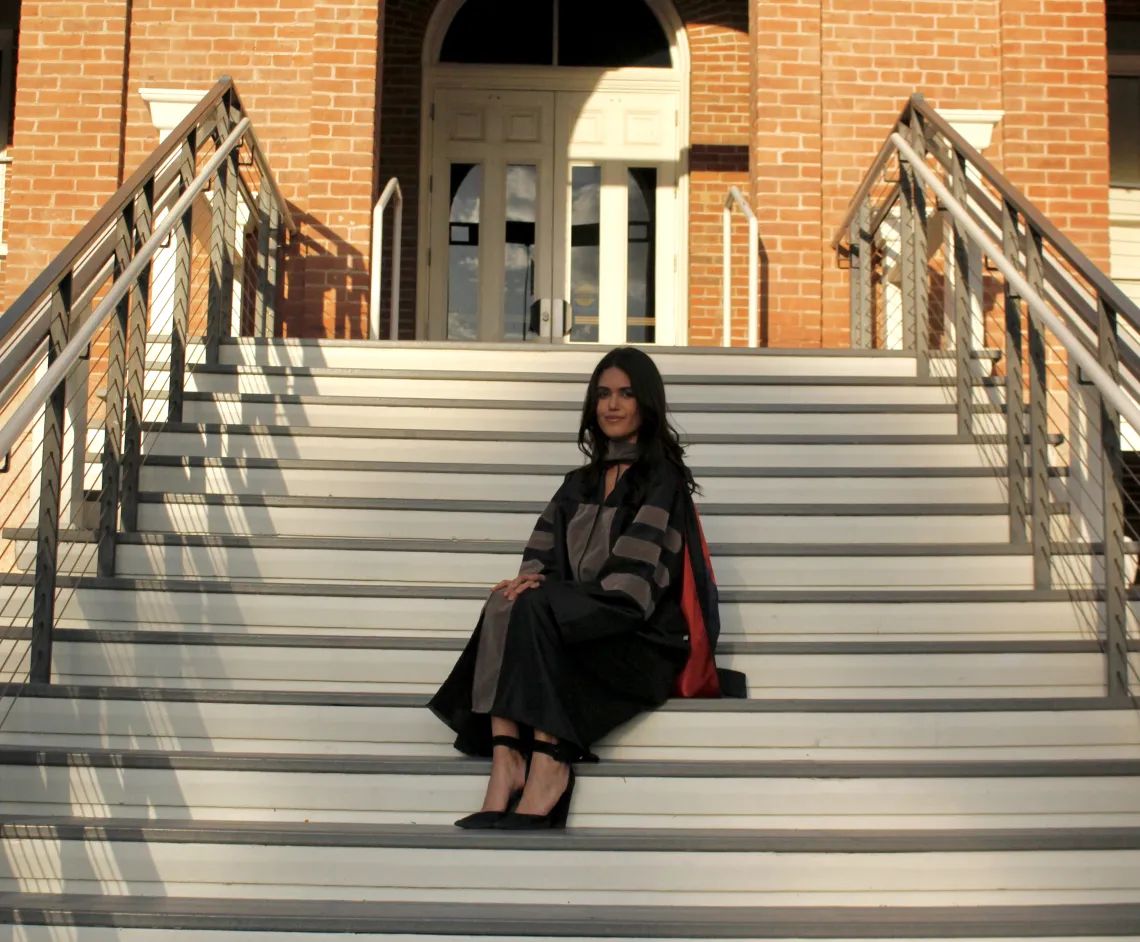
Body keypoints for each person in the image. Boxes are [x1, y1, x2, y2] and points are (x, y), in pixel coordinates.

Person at [428, 346, 743, 831]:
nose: (612, 405)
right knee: (506, 600)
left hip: (638, 641)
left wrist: (554, 600)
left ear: (646, 404)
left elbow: (631, 590)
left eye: (625, 393)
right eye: (602, 394)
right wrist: (536, 587)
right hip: (574, 625)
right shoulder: (578, 483)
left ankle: (551, 766)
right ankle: (507, 761)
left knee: (531, 605)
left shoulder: (661, 481)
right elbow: (540, 561)